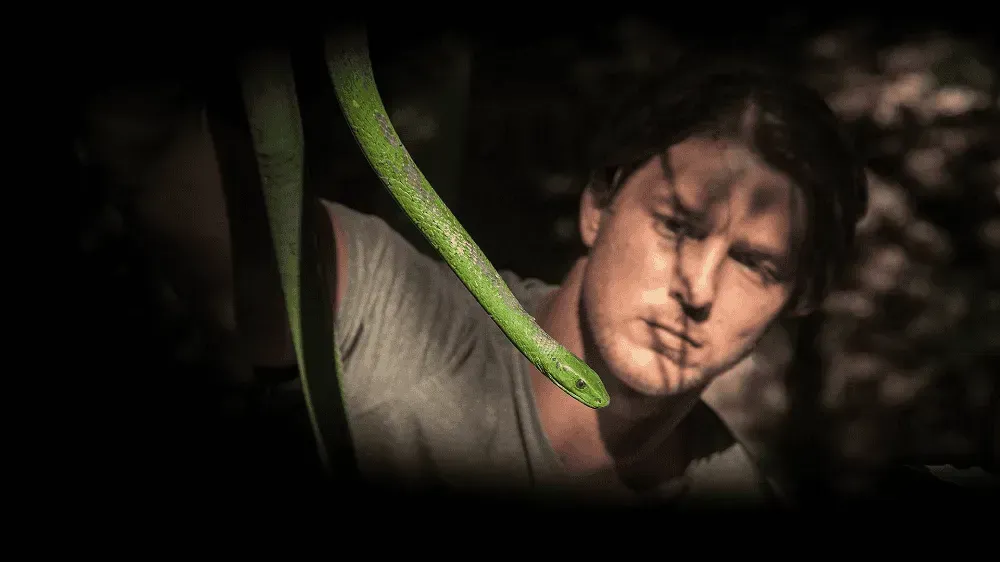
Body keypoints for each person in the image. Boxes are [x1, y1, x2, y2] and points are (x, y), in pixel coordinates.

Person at [77, 52, 869, 509]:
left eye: (754, 263)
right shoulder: (383, 313)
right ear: (598, 206)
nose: (698, 287)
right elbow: (147, 151)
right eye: (678, 224)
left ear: (796, 300)